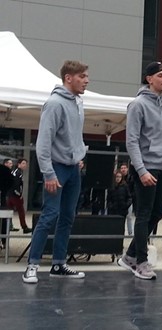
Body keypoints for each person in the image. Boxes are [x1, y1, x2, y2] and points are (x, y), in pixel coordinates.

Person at [118, 61, 162, 280]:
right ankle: (140, 262)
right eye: (160, 75)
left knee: (158, 213)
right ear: (149, 79)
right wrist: (140, 170)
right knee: (144, 214)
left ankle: (129, 255)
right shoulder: (138, 105)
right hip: (146, 167)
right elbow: (131, 142)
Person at [22, 60, 89, 284]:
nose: (86, 80)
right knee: (49, 215)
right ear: (68, 78)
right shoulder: (54, 103)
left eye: (86, 76)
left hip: (72, 169)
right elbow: (43, 143)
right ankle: (32, 266)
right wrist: (49, 173)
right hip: (57, 168)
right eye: (81, 76)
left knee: (68, 217)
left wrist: (78, 157)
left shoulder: (79, 103)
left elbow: (74, 136)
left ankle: (58, 264)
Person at [7, 158, 32, 233]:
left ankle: (8, 226)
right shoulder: (18, 173)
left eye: (26, 163)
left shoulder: (13, 172)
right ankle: (24, 227)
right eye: (23, 163)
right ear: (19, 164)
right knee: (21, 211)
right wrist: (19, 194)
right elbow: (16, 184)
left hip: (9, 195)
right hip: (15, 196)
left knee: (9, 212)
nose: (25, 165)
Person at [119, 162, 135, 236]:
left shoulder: (131, 178)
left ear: (127, 169)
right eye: (122, 168)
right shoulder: (118, 178)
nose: (123, 170)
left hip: (128, 200)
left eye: (124, 168)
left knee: (129, 216)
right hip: (120, 200)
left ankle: (130, 232)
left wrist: (130, 198)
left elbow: (133, 189)